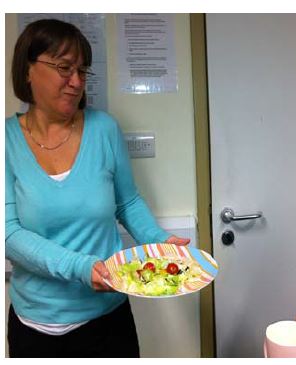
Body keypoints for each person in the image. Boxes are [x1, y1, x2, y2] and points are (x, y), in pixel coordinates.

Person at [5, 18, 190, 358]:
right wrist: (79, 266)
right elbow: (7, 232)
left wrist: (159, 242)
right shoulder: (6, 141)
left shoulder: (104, 129)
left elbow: (127, 202)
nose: (76, 82)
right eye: (64, 68)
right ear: (28, 70)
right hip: (34, 327)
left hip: (107, 320)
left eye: (82, 70)